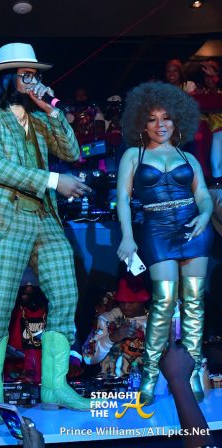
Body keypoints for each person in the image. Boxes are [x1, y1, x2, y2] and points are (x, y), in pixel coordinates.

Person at [0, 42, 92, 424]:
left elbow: (72, 151)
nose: (33, 79)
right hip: (8, 218)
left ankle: (55, 386)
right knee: (0, 304)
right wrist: (54, 180)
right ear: (7, 78)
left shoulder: (39, 117)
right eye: (26, 74)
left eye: (35, 74)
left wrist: (51, 110)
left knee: (66, 294)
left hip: (45, 218)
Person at [117, 81, 214, 404]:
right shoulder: (134, 155)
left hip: (193, 228)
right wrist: (127, 236)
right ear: (142, 123)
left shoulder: (188, 157)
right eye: (153, 119)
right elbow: (122, 199)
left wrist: (205, 215)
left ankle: (192, 371)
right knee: (164, 301)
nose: (161, 125)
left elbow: (203, 195)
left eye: (167, 117)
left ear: (177, 120)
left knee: (195, 302)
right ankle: (149, 375)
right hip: (156, 230)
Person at [82, 276, 149, 377]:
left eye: (131, 302)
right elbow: (88, 358)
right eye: (122, 302)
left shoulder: (156, 322)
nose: (126, 306)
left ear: (142, 300)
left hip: (145, 384)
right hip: (108, 384)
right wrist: (111, 338)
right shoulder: (107, 319)